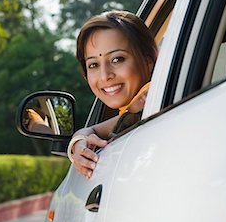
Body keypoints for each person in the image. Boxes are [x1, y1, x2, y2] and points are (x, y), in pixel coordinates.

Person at [67, 10, 158, 179]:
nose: (104, 75)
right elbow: (92, 130)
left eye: (117, 59)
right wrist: (78, 143)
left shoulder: (152, 97)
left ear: (148, 61)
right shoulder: (132, 112)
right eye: (93, 64)